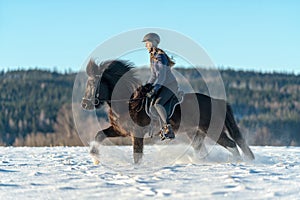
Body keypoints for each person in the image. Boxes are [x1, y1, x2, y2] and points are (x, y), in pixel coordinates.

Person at [142, 32, 178, 140]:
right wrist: (146, 87)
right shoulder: (153, 57)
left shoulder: (160, 56)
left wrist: (155, 89)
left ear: (153, 43)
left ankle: (168, 129)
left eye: (147, 43)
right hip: (163, 85)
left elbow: (161, 76)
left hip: (170, 86)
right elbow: (153, 75)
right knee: (150, 102)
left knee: (158, 104)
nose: (146, 46)